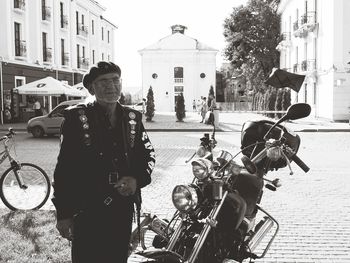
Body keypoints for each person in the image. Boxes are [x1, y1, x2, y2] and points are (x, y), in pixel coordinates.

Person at [52, 61, 155, 263]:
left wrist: (137, 179)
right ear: (92, 88)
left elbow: (148, 155)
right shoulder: (76, 118)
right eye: (103, 81)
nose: (111, 86)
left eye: (115, 80)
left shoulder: (132, 118)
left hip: (122, 205)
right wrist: (63, 213)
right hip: (87, 207)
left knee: (117, 257)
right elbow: (64, 169)